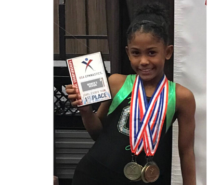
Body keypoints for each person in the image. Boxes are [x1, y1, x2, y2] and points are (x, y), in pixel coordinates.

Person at [66, 3, 196, 185]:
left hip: (147, 179)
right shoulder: (116, 83)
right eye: (136, 53)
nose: (143, 61)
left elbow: (187, 153)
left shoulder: (182, 97)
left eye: (151, 53)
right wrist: (86, 111)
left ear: (167, 52)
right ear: (128, 53)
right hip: (95, 175)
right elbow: (97, 133)